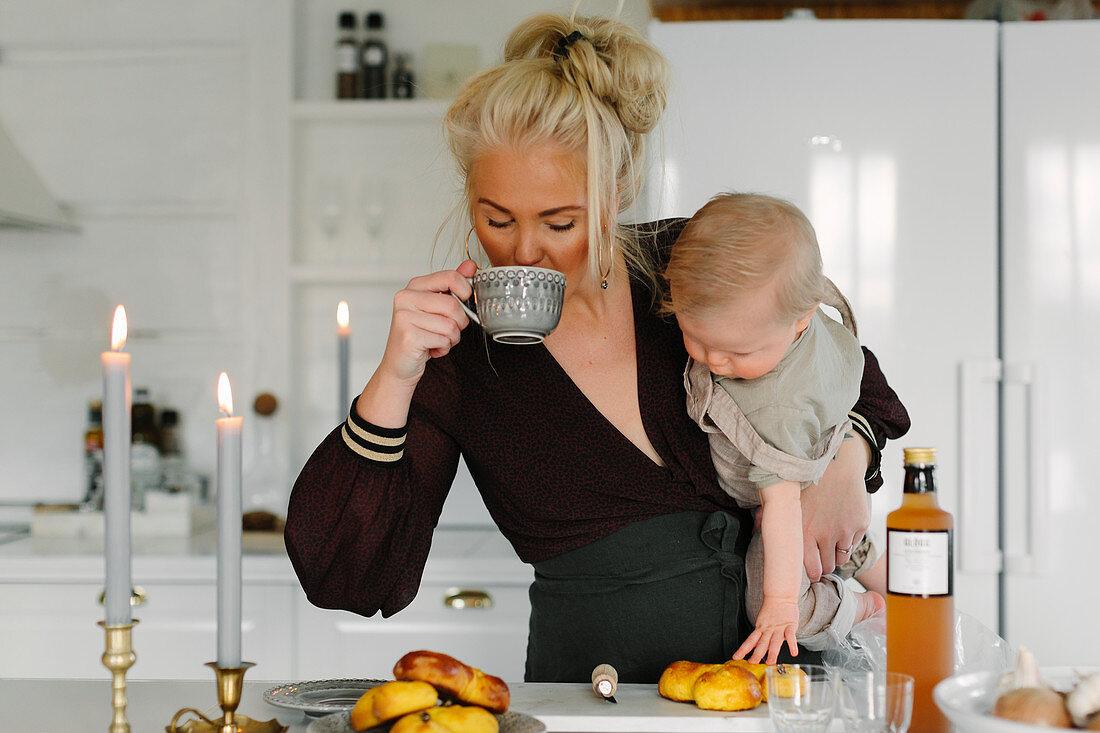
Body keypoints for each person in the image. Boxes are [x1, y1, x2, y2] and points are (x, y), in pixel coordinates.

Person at [284, 11, 910, 684]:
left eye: (560, 220)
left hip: (778, 697)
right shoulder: (462, 357)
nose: (523, 250)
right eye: (496, 218)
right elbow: (346, 576)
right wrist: (394, 375)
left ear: (614, 194)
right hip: (594, 703)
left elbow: (843, 367)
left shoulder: (686, 268)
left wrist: (848, 464)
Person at [662, 192, 887, 666]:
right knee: (844, 546)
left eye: (737, 354)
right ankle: (892, 578)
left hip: (780, 498)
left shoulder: (776, 407)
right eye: (695, 337)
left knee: (784, 608)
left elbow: (782, 507)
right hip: (820, 454)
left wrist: (781, 605)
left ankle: (860, 608)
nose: (714, 360)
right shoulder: (808, 307)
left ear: (800, 320)